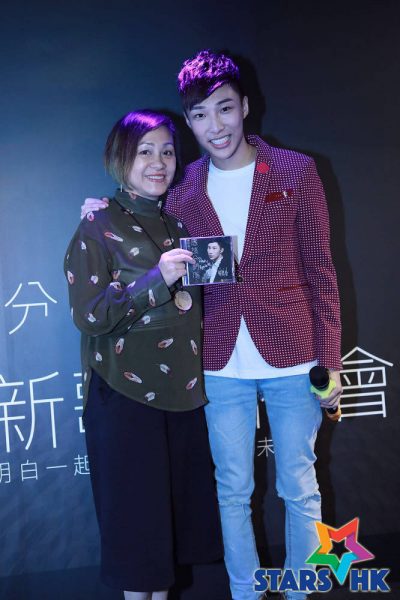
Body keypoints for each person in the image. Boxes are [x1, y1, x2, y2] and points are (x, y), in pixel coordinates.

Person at [82, 50, 342, 600]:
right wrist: (100, 209)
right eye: (200, 115)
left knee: (300, 487)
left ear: (244, 107)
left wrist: (331, 366)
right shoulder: (182, 187)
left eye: (224, 108)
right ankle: (246, 593)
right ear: (190, 121)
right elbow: (137, 211)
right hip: (218, 361)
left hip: (294, 355)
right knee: (232, 492)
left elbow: (323, 273)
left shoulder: (297, 171)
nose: (215, 126)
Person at [65, 110, 223, 600]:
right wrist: (158, 279)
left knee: (165, 539)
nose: (159, 162)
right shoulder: (96, 225)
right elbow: (90, 316)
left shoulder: (178, 224)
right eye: (145, 151)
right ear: (121, 158)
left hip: (183, 399)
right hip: (124, 398)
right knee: (136, 539)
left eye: (167, 151)